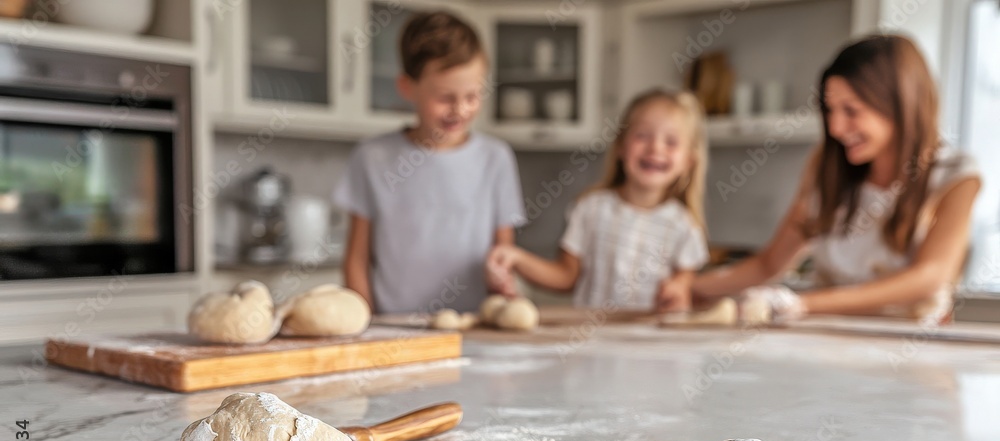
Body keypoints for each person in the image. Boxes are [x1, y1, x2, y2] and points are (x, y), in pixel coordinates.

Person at [693, 34, 982, 323]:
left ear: (900, 105)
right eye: (830, 111)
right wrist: (693, 286)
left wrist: (802, 304)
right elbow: (769, 263)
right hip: (828, 345)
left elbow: (929, 277)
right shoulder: (827, 165)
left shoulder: (955, 176)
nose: (835, 128)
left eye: (851, 111)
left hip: (910, 352)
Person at [334, 11, 525, 314]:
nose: (460, 110)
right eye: (445, 98)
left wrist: (502, 283)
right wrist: (364, 325)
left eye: (472, 96)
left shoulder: (496, 158)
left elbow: (504, 254)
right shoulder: (371, 158)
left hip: (472, 329)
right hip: (392, 329)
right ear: (408, 87)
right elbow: (357, 258)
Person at [487, 89, 709, 312]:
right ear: (621, 146)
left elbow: (685, 287)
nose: (655, 148)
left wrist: (677, 293)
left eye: (671, 141)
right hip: (590, 342)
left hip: (652, 344)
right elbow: (565, 278)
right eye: (642, 136)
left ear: (689, 160)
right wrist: (518, 258)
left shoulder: (684, 225)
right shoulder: (590, 209)